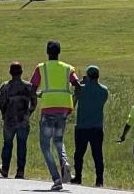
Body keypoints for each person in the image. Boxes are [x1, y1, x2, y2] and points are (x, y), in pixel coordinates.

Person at [30, 40, 80, 191]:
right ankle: (64, 162)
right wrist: (73, 99)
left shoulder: (41, 68)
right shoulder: (68, 68)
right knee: (58, 140)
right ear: (59, 52)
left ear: (47, 52)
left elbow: (33, 88)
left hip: (48, 108)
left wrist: (39, 95)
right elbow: (77, 84)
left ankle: (57, 178)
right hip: (64, 108)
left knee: (45, 146)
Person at [0, 62, 37, 179]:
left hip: (9, 121)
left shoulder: (5, 86)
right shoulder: (29, 87)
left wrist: (4, 114)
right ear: (21, 72)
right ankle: (20, 171)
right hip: (23, 120)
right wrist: (28, 113)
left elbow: (1, 102)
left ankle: (5, 168)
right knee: (22, 145)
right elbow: (34, 102)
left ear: (10, 72)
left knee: (7, 144)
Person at [70, 66, 109, 187]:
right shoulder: (104, 90)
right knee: (97, 154)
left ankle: (78, 177)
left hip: (82, 126)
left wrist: (80, 86)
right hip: (97, 127)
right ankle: (99, 180)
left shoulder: (81, 89)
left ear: (88, 75)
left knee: (79, 154)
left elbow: (73, 103)